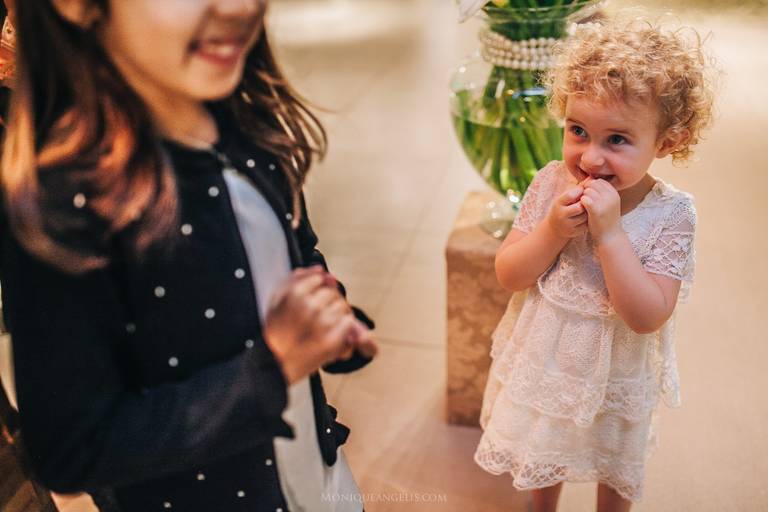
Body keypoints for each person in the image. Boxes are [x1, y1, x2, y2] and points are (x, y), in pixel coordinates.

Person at [0, 0, 378, 510]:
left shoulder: (247, 122)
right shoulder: (62, 204)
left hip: (316, 474)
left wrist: (330, 325)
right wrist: (272, 366)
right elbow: (71, 450)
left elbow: (296, 252)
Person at [474, 17, 716, 512]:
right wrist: (552, 232)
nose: (590, 157)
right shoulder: (550, 183)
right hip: (550, 359)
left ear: (667, 142)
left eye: (617, 140)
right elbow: (509, 274)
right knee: (543, 446)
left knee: (614, 460)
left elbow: (647, 316)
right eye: (578, 130)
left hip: (615, 374)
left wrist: (609, 236)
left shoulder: (673, 214)